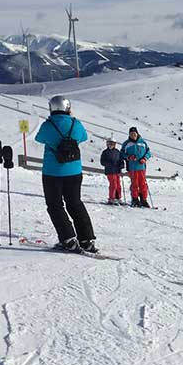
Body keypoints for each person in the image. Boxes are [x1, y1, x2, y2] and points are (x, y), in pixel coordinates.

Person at [36, 96, 98, 252]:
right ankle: (87, 239)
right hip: (74, 171)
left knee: (55, 205)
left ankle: (68, 239)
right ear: (67, 108)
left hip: (52, 172)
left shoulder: (47, 125)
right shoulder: (75, 124)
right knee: (75, 203)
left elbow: (39, 138)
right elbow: (83, 137)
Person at [123, 127, 154, 208]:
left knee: (143, 184)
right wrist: (129, 157)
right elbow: (122, 153)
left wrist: (144, 158)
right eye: (131, 134)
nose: (133, 135)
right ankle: (135, 199)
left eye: (134, 133)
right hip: (132, 168)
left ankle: (143, 199)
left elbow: (148, 152)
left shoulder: (143, 142)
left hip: (141, 167)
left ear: (137, 133)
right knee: (134, 184)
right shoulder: (126, 143)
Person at [100, 139, 124, 205]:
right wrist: (109, 164)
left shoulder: (117, 152)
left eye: (112, 144)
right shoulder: (105, 152)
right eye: (109, 143)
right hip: (110, 170)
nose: (111, 145)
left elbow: (120, 160)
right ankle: (111, 198)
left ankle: (118, 197)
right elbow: (102, 161)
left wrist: (121, 165)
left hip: (117, 170)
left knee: (118, 184)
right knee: (113, 184)